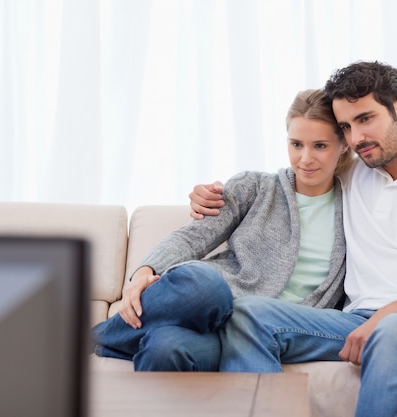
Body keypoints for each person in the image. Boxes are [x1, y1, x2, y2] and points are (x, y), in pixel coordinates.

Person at [189, 60, 397, 417]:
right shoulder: (354, 171)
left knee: (394, 332)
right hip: (362, 321)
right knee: (247, 315)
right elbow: (295, 171)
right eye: (346, 127)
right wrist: (214, 196)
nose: (355, 139)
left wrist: (387, 317)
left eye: (365, 119)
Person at [90, 88, 355, 371]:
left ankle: (98, 339)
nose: (305, 159)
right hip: (212, 310)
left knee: (163, 347)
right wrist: (145, 271)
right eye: (296, 144)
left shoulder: (356, 204)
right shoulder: (254, 187)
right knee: (203, 286)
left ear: (344, 145)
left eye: (320, 146)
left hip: (273, 332)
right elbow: (192, 237)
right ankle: (98, 337)